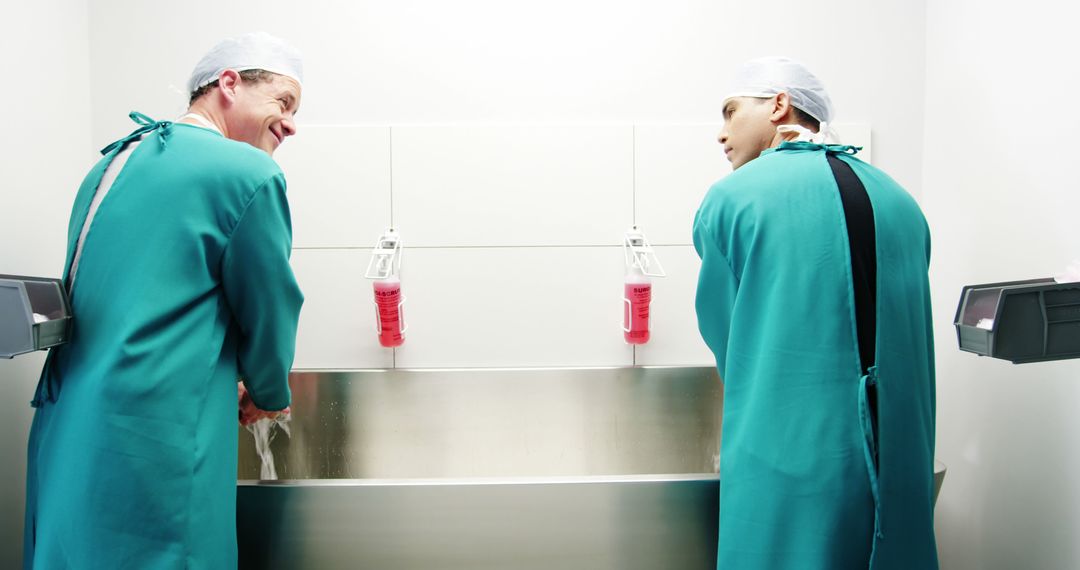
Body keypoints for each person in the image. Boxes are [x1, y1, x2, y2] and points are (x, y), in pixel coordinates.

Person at [23, 32, 306, 569]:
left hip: (68, 426)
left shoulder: (110, 164)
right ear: (228, 84)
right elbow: (269, 306)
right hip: (157, 436)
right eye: (283, 103)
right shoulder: (248, 173)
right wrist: (267, 389)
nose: (292, 123)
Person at [693, 56, 938, 569]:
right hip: (898, 459)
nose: (722, 133)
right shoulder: (901, 201)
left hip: (787, 462)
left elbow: (730, 342)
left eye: (731, 112)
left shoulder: (733, 199)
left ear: (779, 104)